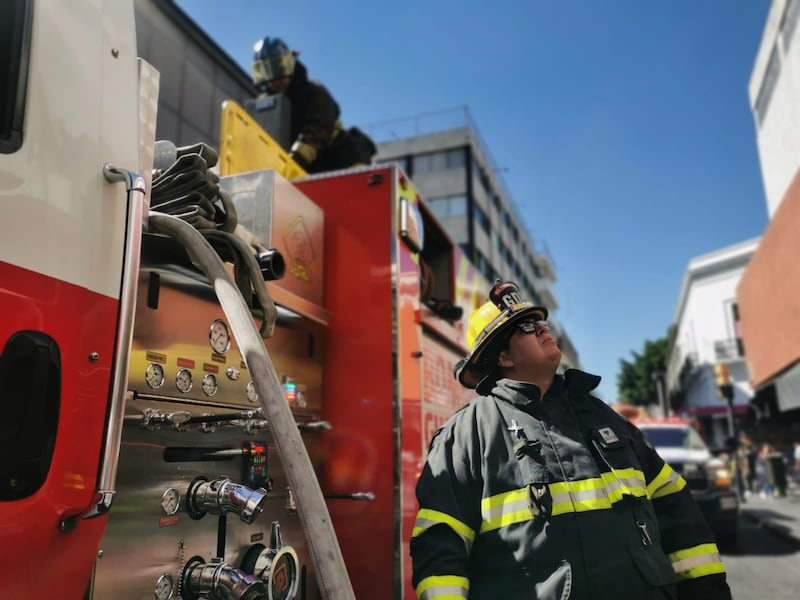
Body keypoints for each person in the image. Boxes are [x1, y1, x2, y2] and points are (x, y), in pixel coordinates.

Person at [410, 280, 731, 600]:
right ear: (504, 357)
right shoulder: (466, 435)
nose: (542, 328)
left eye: (540, 321)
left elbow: (676, 510)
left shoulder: (606, 419)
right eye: (526, 326)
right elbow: (440, 547)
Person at [250, 37, 376, 173]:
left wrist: (294, 161)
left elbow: (320, 127)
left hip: (329, 158)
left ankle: (357, 184)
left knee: (355, 145)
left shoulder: (313, 91)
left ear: (290, 64)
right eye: (268, 72)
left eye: (279, 69)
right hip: (294, 169)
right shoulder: (263, 108)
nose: (277, 80)